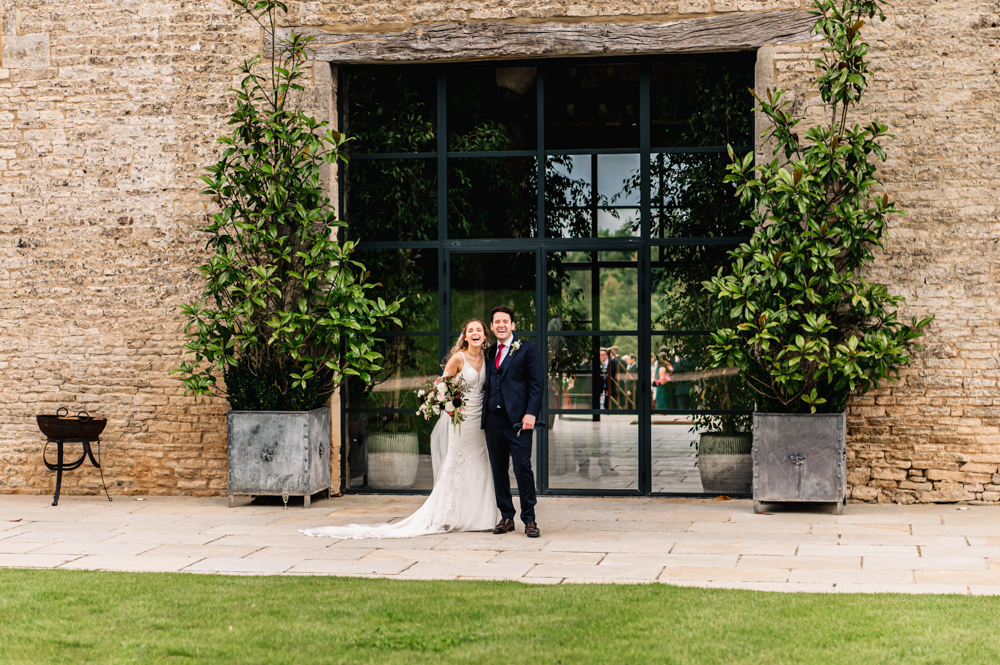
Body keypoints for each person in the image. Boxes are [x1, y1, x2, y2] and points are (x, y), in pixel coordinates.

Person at [301, 319, 497, 539]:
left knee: (480, 462)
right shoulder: (457, 359)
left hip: (481, 420)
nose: (475, 333)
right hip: (461, 420)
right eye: (471, 330)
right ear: (465, 336)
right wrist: (450, 408)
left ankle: (481, 516)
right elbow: (441, 387)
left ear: (484, 335)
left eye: (479, 330)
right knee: (458, 464)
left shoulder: (488, 358)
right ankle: (451, 515)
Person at [483, 305, 543, 538]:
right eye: (497, 321)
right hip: (493, 420)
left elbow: (536, 385)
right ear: (492, 326)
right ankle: (506, 516)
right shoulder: (487, 352)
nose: (501, 325)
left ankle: (529, 518)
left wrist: (531, 413)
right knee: (498, 470)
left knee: (522, 468)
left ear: (512, 325)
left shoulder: (527, 349)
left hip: (519, 420)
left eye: (505, 321)